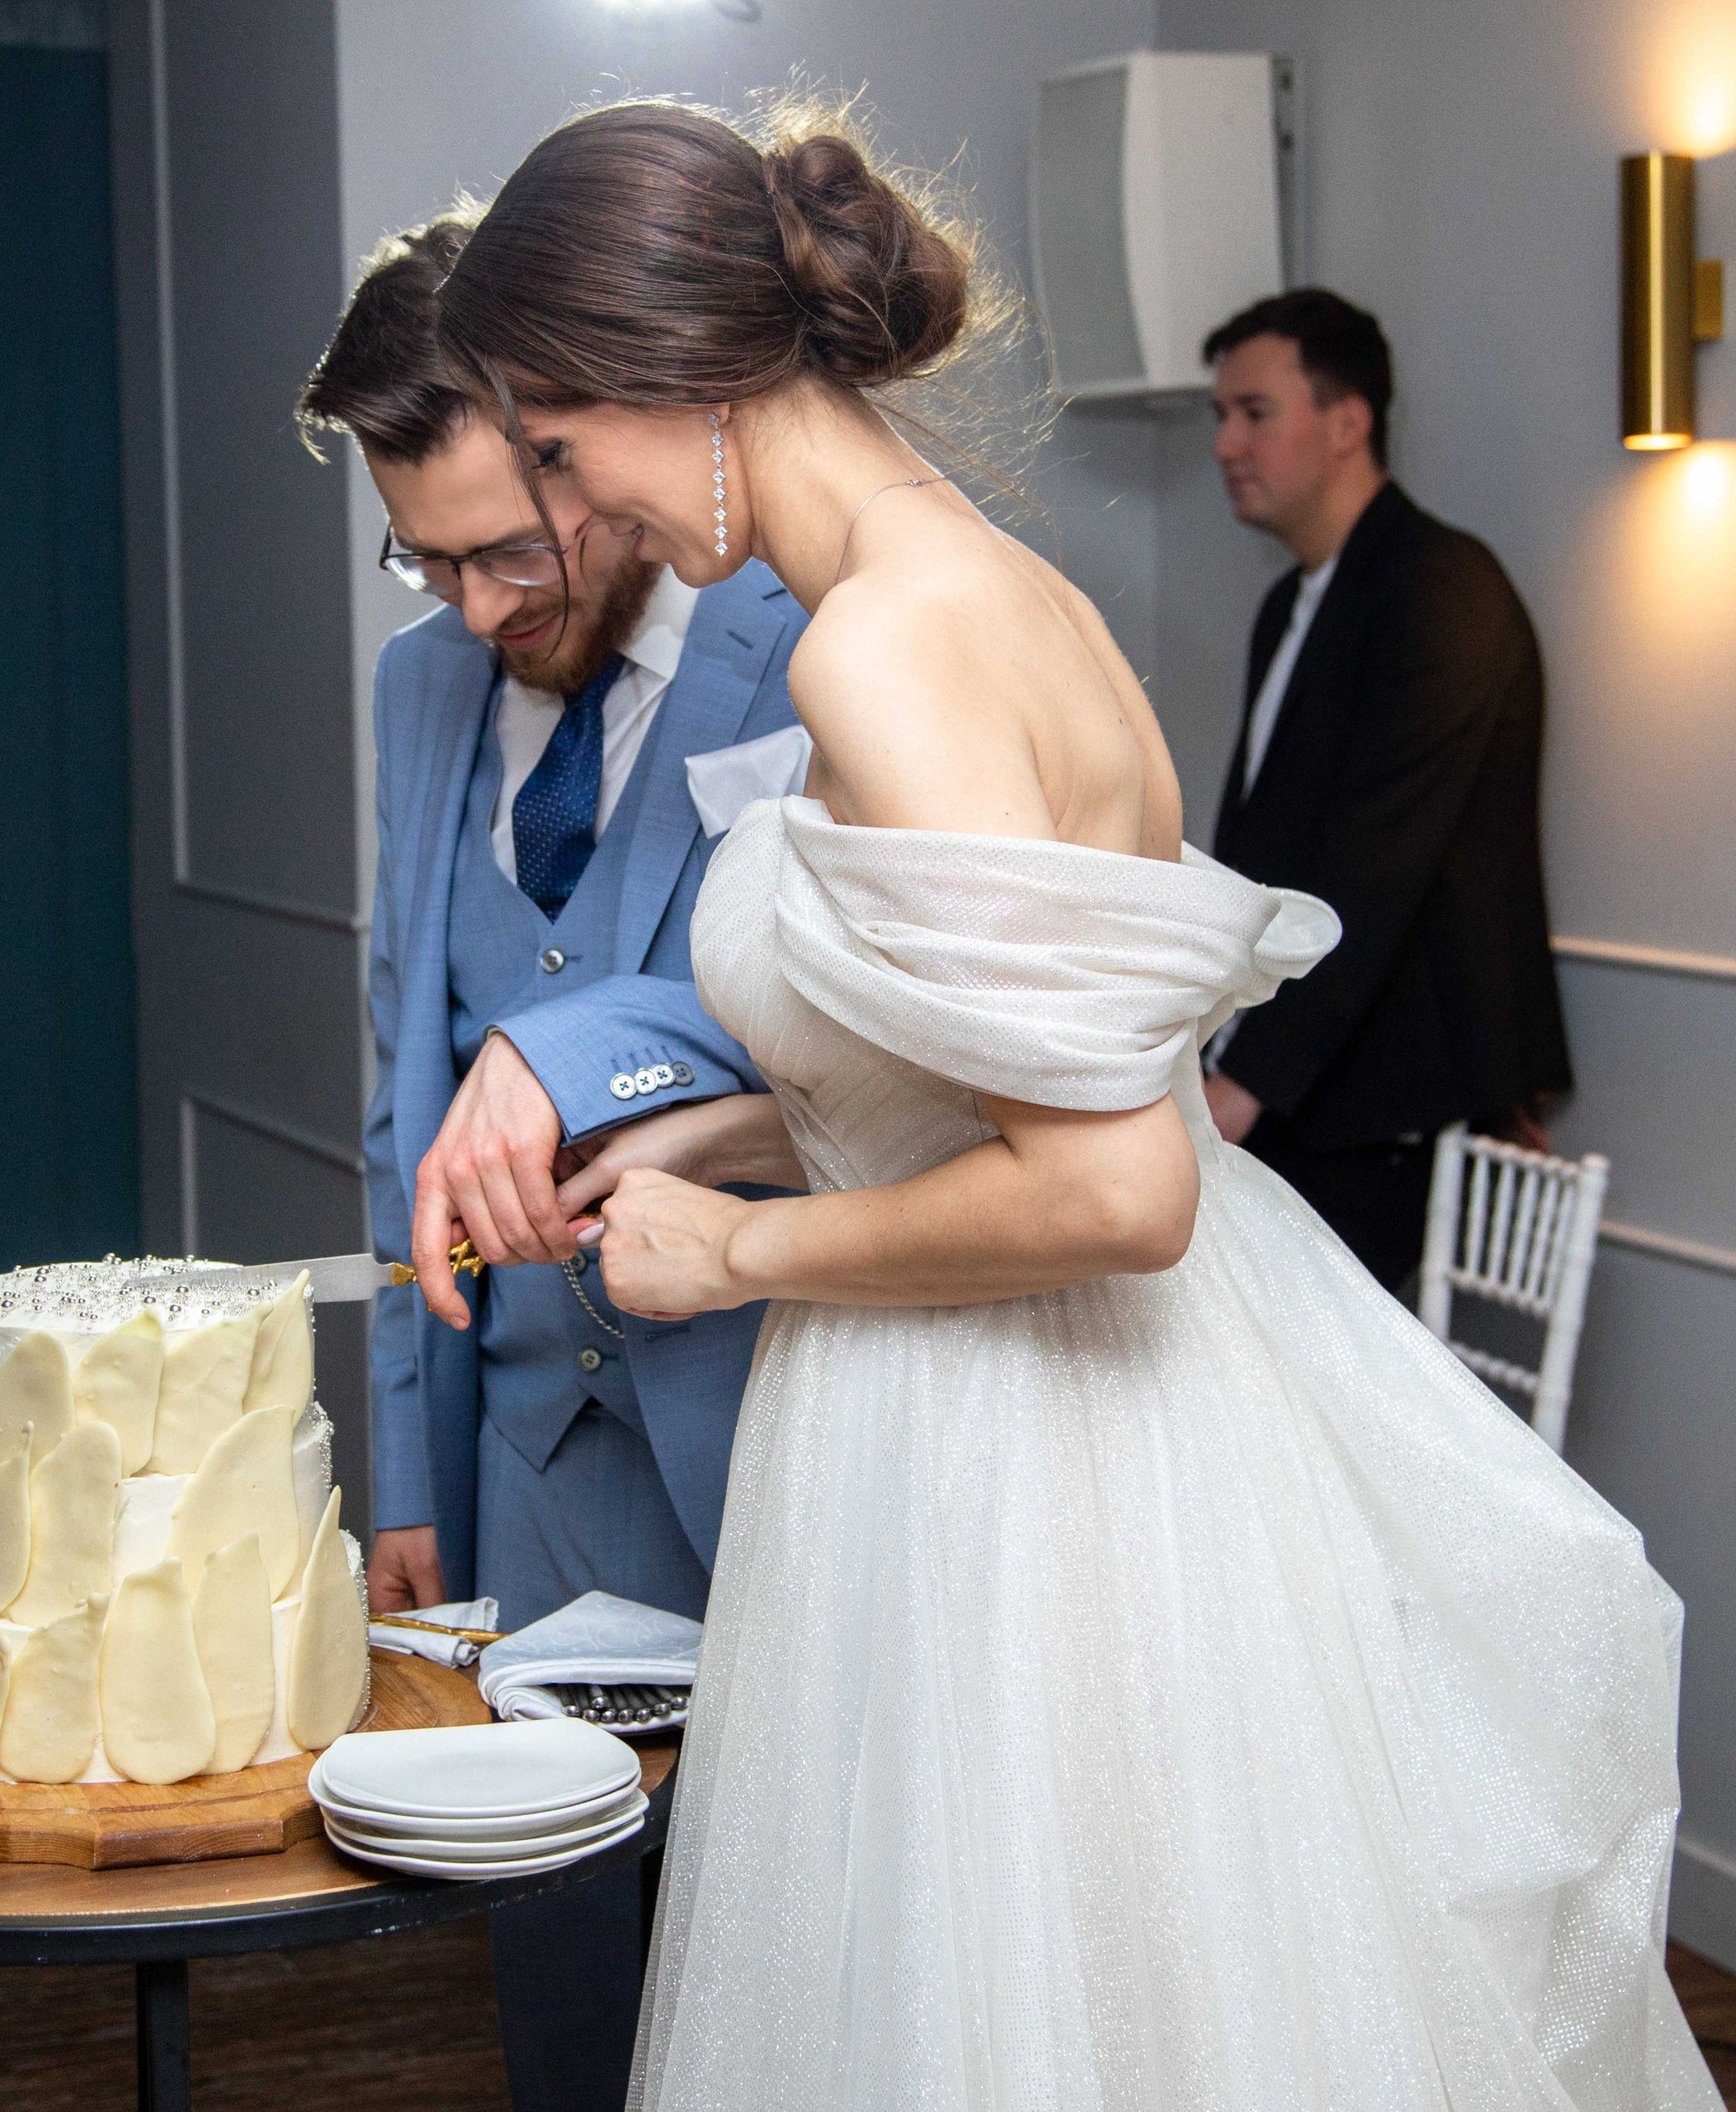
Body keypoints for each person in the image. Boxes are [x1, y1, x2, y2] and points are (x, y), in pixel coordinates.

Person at [433, 101, 1717, 2112]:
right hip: (1085, 1407)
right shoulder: (1011, 596)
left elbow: (1121, 1184)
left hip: (1005, 1447)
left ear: (661, 373)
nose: (572, 508)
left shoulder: (883, 645)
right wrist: (721, 1131)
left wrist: (739, 1246)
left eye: (558, 450)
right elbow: (1012, 1079)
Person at [297, 219, 808, 2112]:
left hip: (760, 1412)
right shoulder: (420, 686)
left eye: (507, 543)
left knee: (782, 1943)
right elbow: (399, 1073)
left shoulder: (805, 642)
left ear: (589, 446)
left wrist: (568, 1044)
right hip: (520, 1450)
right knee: (564, 1977)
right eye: (419, 554)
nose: (471, 599)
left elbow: (844, 1022)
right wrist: (411, 1460)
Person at [1200, 288, 1572, 1289]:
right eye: (1219, 416)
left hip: (1377, 1104)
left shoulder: (1442, 584)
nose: (1226, 443)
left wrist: (1240, 1087)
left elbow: (1380, 864)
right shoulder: (1290, 604)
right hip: (1298, 1087)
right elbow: (1266, 853)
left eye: (1255, 412)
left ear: (1347, 421)